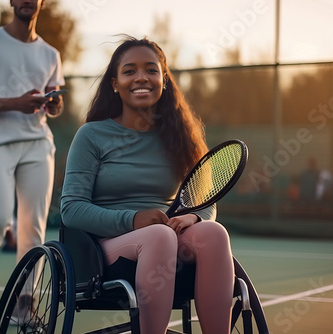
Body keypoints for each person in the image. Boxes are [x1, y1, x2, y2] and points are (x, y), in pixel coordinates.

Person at [61, 37, 233, 334]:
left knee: (213, 233)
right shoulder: (91, 135)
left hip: (169, 241)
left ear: (164, 79)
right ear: (115, 83)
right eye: (130, 71)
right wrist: (134, 220)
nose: (141, 77)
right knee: (157, 237)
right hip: (105, 249)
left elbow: (205, 202)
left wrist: (192, 217)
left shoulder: (181, 137)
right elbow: (71, 209)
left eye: (151, 70)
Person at [0, 0, 65, 321]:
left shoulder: (51, 54)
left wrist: (53, 103)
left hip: (37, 144)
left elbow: (52, 103)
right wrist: (16, 104)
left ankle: (25, 299)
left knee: (33, 227)